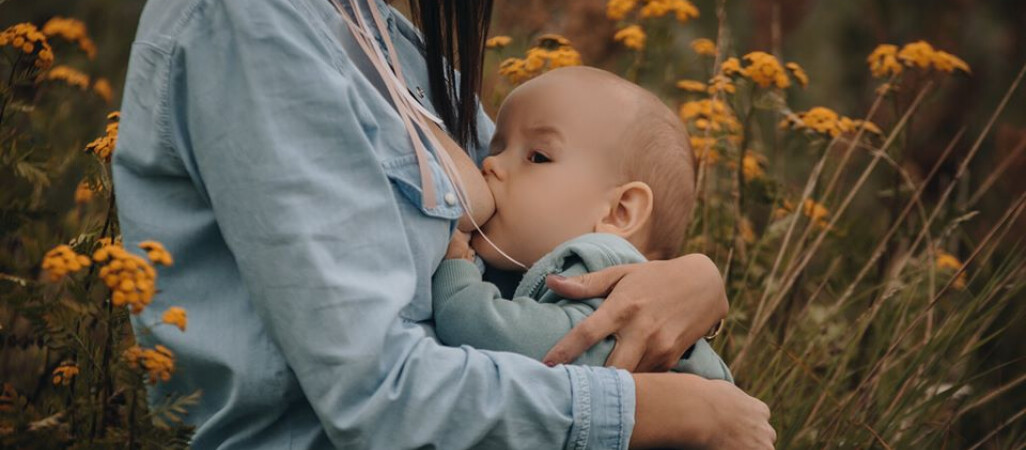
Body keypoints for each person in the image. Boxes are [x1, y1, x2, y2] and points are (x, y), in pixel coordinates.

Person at [112, 0, 775, 448]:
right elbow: (376, 395)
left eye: (529, 154)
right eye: (503, 154)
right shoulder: (253, 26)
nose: (498, 168)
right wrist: (669, 413)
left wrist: (692, 277)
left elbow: (542, 207)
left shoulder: (383, 36)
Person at [432, 66, 733, 383]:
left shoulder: (601, 273)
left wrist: (457, 272)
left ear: (619, 213)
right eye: (497, 149)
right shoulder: (533, 266)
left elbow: (496, 336)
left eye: (537, 157)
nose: (489, 164)